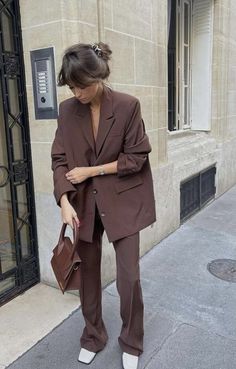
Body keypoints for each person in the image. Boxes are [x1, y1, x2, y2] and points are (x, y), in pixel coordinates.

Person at [51, 42, 156, 369]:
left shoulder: (127, 106)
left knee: (129, 277)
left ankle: (132, 341)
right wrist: (64, 201)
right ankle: (93, 335)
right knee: (89, 277)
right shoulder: (68, 111)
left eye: (81, 85)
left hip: (124, 202)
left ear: (98, 76)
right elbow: (58, 159)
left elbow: (136, 157)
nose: (77, 92)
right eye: (71, 87)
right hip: (83, 206)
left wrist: (92, 170)